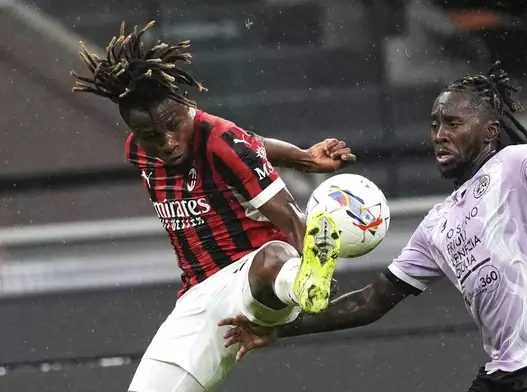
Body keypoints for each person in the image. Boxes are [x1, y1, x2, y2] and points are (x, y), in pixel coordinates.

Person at [219, 62, 527, 392]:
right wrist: (280, 329)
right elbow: (370, 301)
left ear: (490, 131)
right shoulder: (436, 225)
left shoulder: (515, 163)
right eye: (435, 125)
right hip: (506, 371)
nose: (440, 135)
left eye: (453, 123)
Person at [71, 21, 356, 392]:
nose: (168, 142)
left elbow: (289, 215)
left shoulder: (220, 139)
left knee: (275, 256)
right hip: (196, 292)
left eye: (174, 126)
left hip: (251, 274)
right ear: (134, 132)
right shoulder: (138, 151)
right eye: (152, 136)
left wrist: (317, 274)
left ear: (187, 107)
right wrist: (303, 158)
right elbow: (251, 142)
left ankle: (304, 282)